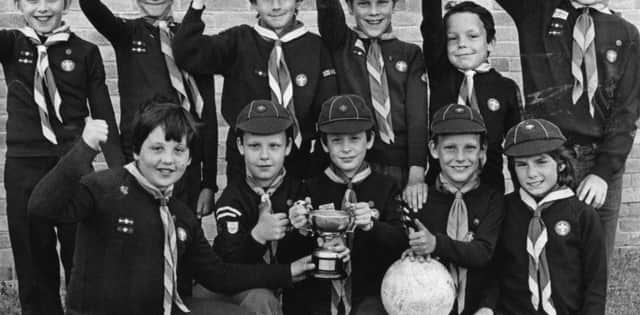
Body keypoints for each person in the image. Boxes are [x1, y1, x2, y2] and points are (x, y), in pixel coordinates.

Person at [27, 100, 316, 315]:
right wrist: (85, 148)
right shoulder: (104, 187)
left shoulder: (180, 214)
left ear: (189, 159)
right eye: (157, 148)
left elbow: (218, 274)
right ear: (137, 150)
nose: (168, 160)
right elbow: (41, 208)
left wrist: (288, 272)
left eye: (178, 151)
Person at [475, 0, 640, 262]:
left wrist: (602, 171)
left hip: (600, 161)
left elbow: (626, 112)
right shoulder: (539, 8)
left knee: (594, 260)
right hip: (546, 155)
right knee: (545, 257)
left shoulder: (627, 34)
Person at [0, 0, 123, 314]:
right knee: (32, 253)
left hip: (73, 164)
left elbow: (104, 115)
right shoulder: (11, 46)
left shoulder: (86, 53)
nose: (42, 8)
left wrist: (119, 172)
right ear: (17, 6)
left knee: (80, 249)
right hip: (23, 167)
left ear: (66, 2)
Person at [80, 0, 218, 216]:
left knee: (184, 242)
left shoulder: (191, 39)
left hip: (185, 157)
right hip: (137, 159)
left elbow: (205, 109)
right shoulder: (125, 34)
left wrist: (209, 182)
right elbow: (89, 3)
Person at [172, 0, 337, 183]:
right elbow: (186, 52)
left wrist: (318, 167)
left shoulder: (316, 47)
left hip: (301, 165)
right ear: (253, 2)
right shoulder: (238, 41)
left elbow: (326, 113)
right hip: (245, 165)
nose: (276, 6)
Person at [315, 0, 429, 207]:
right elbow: (326, 6)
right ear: (350, 6)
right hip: (357, 165)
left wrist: (416, 173)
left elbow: (417, 117)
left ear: (395, 3)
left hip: (401, 167)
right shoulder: (341, 43)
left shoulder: (410, 54)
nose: (374, 12)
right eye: (364, 4)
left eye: (382, 3)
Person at [288, 94, 406, 315]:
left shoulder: (386, 187)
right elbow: (289, 255)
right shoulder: (310, 188)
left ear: (369, 140)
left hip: (370, 292)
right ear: (324, 144)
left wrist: (373, 226)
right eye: (336, 140)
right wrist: (300, 229)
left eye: (354, 139)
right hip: (318, 295)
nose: (346, 148)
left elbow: (401, 243)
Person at [420, 0, 522, 195]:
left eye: (472, 36)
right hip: (439, 187)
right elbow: (431, 25)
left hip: (489, 189)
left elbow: (517, 147)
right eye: (452, 38)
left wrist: (520, 196)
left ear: (491, 43)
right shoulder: (440, 74)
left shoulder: (505, 88)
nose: (462, 44)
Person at [487, 118, 607, 314]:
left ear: (560, 164)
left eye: (541, 161)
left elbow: (595, 283)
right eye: (522, 165)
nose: (531, 173)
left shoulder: (583, 214)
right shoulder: (503, 210)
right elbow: (494, 271)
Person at [212, 99, 312, 315]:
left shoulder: (301, 191)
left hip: (290, 286)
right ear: (240, 146)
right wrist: (258, 236)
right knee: (261, 299)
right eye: (254, 146)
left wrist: (304, 229)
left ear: (287, 146)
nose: (264, 156)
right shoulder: (231, 200)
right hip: (236, 288)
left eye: (274, 146)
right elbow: (229, 268)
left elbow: (308, 253)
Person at [404, 104, 504, 315]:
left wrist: (487, 306)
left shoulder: (493, 200)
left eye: (470, 148)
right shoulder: (418, 200)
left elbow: (486, 255)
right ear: (433, 149)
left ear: (482, 150)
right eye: (450, 148)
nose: (460, 157)